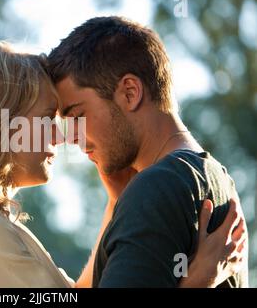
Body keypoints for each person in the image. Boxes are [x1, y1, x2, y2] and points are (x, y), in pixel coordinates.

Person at [0, 41, 245, 288]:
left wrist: (113, 203)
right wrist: (197, 284)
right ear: (1, 122)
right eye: (49, 117)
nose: (62, 137)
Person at [46, 16, 248, 287]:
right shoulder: (219, 179)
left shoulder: (157, 187)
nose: (70, 136)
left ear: (130, 92)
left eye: (77, 115)